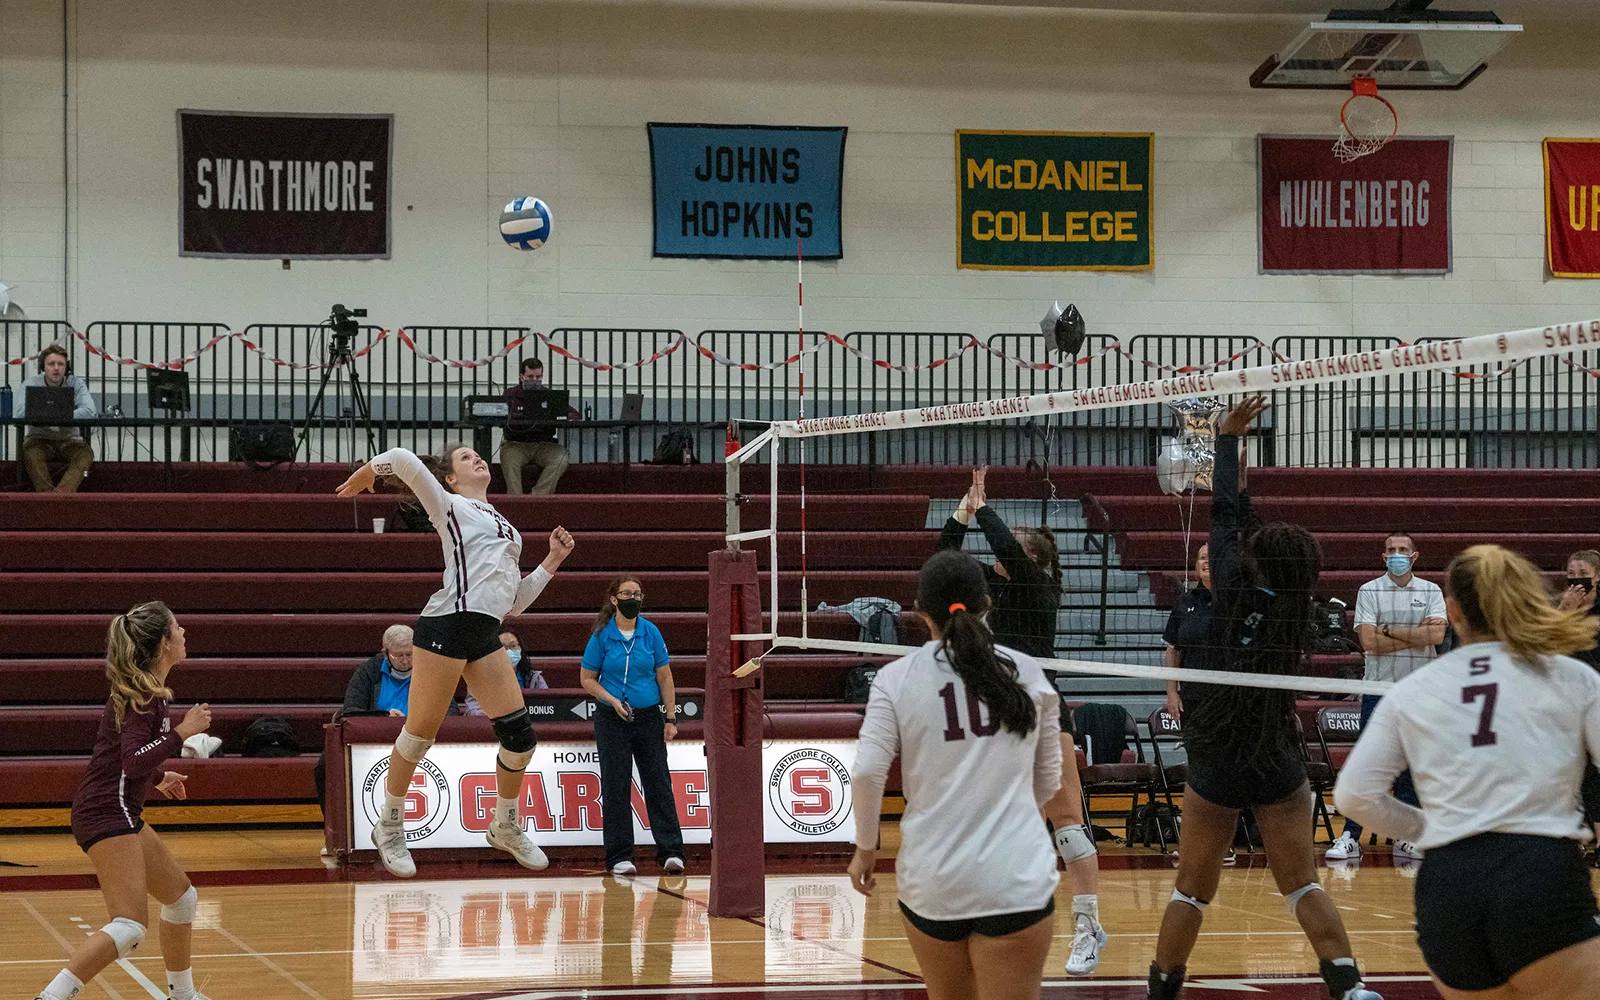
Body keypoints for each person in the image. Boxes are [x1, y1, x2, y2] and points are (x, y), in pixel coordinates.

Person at [1149, 396, 1380, 1000]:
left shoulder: (1223, 585)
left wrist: (1227, 444)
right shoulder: (1294, 609)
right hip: (1275, 754)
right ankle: (1350, 987)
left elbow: (1224, 517)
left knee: (1190, 891)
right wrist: (1237, 466)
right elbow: (1239, 526)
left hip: (1218, 756)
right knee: (1302, 885)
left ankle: (1162, 989)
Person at [1334, 544, 1600, 1000]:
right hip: (1538, 875)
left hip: (1448, 885)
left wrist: (1430, 827)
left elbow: (1355, 797)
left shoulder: (1414, 690)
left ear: (1452, 611)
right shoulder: (1570, 676)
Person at [336, 444, 575, 877]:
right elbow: (405, 461)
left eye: (479, 455)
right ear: (450, 478)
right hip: (445, 625)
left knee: (520, 737)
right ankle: (388, 826)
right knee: (420, 734)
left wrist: (551, 562)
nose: (478, 459)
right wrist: (370, 471)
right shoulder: (449, 506)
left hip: (484, 632)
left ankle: (504, 824)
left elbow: (512, 604)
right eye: (466, 458)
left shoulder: (510, 530)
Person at [848, 549, 1062, 1000]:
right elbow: (1048, 780)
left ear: (919, 611)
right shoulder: (1028, 672)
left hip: (934, 880)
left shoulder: (895, 678)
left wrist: (866, 848)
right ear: (988, 602)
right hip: (1015, 879)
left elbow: (866, 772)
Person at [937, 467, 1108, 975]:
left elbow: (1009, 551)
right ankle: (998, 916)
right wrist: (961, 514)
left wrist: (986, 509)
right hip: (994, 715)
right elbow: (944, 565)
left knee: (1068, 825)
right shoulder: (990, 589)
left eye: (1010, 547)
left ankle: (1087, 925)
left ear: (1031, 558)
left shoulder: (1038, 591)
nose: (997, 555)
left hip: (1042, 712)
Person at [33, 602, 215, 1000]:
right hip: (105, 811)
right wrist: (182, 733)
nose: (185, 633)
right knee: (130, 926)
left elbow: (125, 759)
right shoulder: (142, 696)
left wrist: (161, 776)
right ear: (165, 642)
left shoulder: (151, 691)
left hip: (117, 808)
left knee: (182, 900)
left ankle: (182, 995)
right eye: (178, 627)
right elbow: (132, 762)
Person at [1325, 530, 1446, 863]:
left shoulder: (1431, 590)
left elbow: (1436, 634)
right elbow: (1368, 642)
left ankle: (1406, 838)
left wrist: (1388, 631)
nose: (1397, 554)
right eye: (1391, 549)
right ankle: (1350, 836)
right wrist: (1415, 637)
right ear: (1383, 556)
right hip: (1377, 690)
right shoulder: (1369, 590)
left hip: (1419, 690)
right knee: (1369, 767)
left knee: (1411, 764)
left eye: (1402, 549)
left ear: (1414, 556)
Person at [581, 574, 685, 876]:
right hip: (611, 719)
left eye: (638, 594)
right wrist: (611, 699)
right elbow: (587, 679)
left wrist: (670, 718)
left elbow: (664, 676)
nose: (633, 599)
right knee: (616, 785)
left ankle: (671, 852)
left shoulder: (650, 632)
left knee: (658, 783)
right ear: (614, 600)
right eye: (627, 593)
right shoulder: (602, 635)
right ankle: (619, 856)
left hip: (648, 717)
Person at [1162, 541, 1238, 867]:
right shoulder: (1184, 603)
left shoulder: (1235, 602)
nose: (1205, 561)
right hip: (1193, 700)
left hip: (1227, 701)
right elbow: (1172, 650)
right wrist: (1171, 692)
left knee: (1224, 769)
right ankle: (1196, 844)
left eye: (1211, 556)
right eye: (1201, 557)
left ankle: (1225, 844)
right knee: (1199, 771)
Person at [14, 342, 96, 494]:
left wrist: (51, 414)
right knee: (29, 450)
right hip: (38, 440)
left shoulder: (76, 383)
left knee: (86, 453)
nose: (56, 368)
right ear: (43, 367)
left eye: (61, 364)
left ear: (67, 367)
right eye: (51, 364)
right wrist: (61, 414)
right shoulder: (30, 383)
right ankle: (47, 496)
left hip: (70, 441)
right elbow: (18, 413)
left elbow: (90, 411)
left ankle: (58, 498)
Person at [501, 357, 571, 496]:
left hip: (544, 445)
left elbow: (572, 412)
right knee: (509, 458)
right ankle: (515, 501)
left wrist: (560, 416)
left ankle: (538, 497)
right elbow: (501, 414)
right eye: (530, 376)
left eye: (538, 377)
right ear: (521, 377)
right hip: (516, 444)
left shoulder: (549, 395)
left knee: (561, 457)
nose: (534, 380)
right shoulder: (510, 394)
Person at [464, 627, 550, 717]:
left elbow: (548, 706)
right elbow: (473, 710)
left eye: (513, 646)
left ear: (520, 649)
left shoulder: (534, 678)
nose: (508, 651)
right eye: (503, 647)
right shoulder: (479, 679)